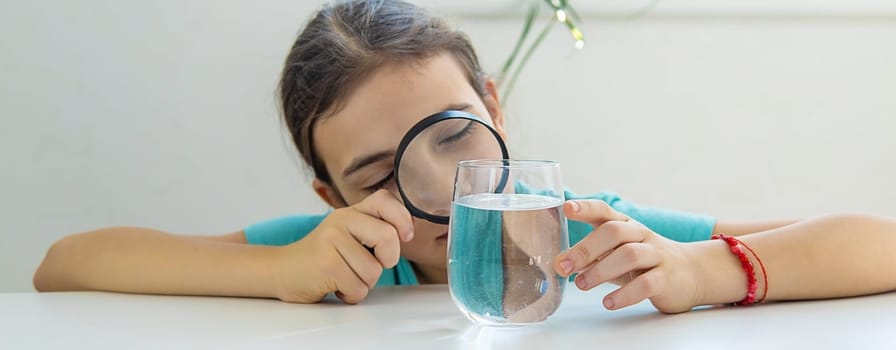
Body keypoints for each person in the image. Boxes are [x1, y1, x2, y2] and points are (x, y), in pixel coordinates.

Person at [33, 0, 896, 314]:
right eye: (378, 176)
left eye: (455, 134)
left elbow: (880, 244)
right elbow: (64, 268)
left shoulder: (585, 238)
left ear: (495, 108)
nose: (443, 186)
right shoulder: (322, 258)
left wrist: (704, 271)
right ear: (330, 194)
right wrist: (281, 269)